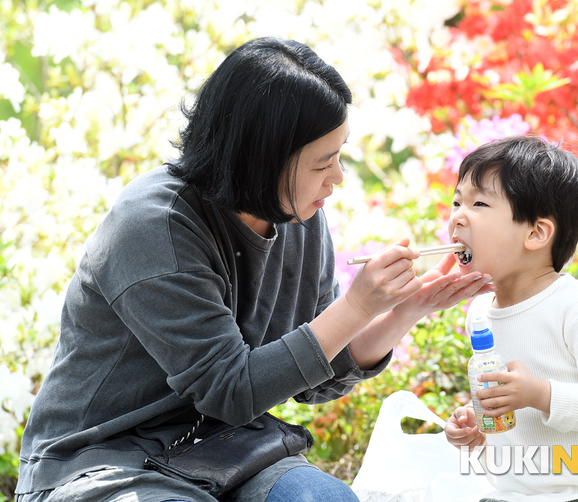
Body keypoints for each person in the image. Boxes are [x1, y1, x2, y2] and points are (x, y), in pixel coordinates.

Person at [16, 37, 496, 502]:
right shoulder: (153, 226)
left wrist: (402, 312)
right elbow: (230, 391)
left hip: (232, 452)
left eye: (340, 154)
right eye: (323, 162)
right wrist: (356, 305)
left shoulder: (297, 214)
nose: (339, 178)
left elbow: (315, 375)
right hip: (106, 462)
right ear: (261, 159)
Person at [443, 136, 578, 502]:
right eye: (457, 201)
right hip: (515, 495)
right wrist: (481, 429)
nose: (457, 216)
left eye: (478, 203)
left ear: (536, 233)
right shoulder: (479, 313)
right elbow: (515, 431)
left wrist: (540, 394)